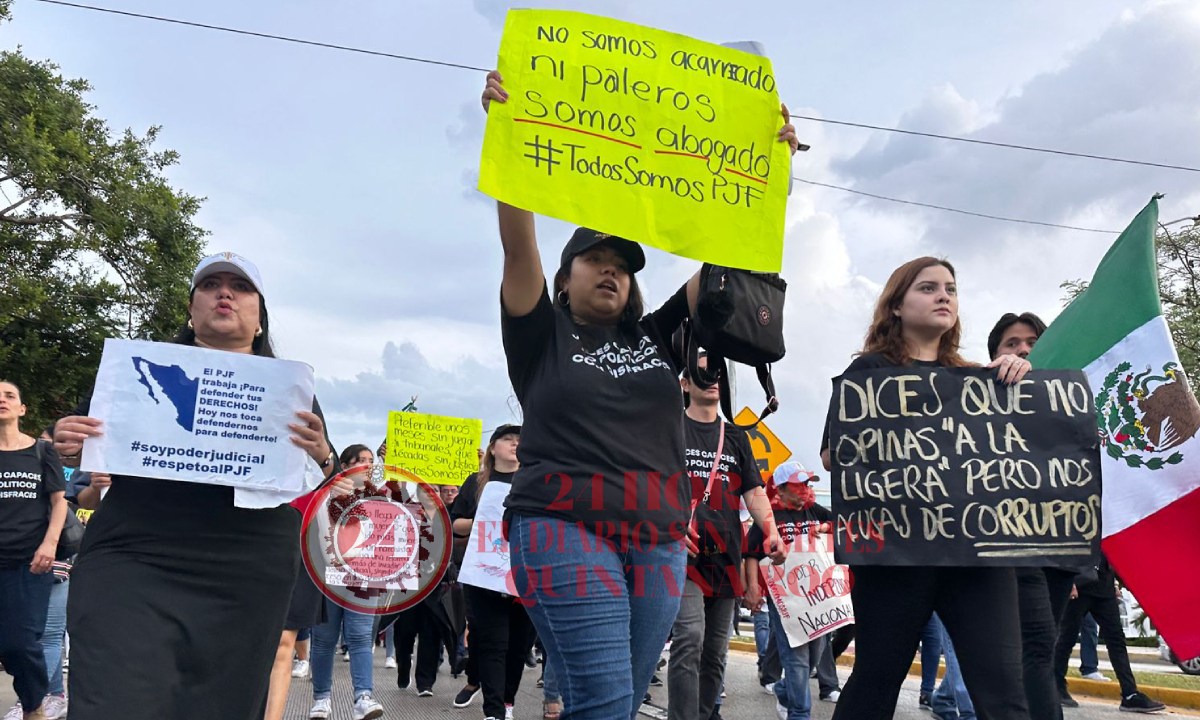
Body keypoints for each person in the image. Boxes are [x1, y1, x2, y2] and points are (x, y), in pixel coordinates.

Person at [481, 69, 799, 720]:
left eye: (624, 267)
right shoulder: (539, 333)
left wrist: (768, 164)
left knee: (616, 704)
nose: (612, 271)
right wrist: (506, 132)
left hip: (657, 542)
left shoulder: (657, 340)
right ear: (564, 280)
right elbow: (518, 244)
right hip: (562, 525)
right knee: (601, 702)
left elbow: (728, 255)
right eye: (596, 259)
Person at [52, 252, 341, 719]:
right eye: (211, 285)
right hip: (135, 556)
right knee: (115, 697)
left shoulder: (291, 390)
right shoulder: (130, 374)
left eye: (240, 287)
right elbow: (89, 454)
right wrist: (68, 444)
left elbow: (321, 479)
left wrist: (324, 456)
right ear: (191, 310)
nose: (224, 293)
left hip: (246, 569)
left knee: (219, 704)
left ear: (260, 318)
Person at [818, 257, 1034, 720]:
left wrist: (1018, 379)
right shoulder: (867, 372)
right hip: (897, 554)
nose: (943, 296)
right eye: (928, 287)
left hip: (976, 554)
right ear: (895, 306)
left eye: (951, 289)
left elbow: (1025, 451)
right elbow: (832, 457)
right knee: (876, 678)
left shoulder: (980, 379)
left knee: (1003, 688)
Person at [667, 354, 782, 720]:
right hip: (682, 555)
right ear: (685, 384)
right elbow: (648, 486)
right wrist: (665, 523)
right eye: (702, 371)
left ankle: (702, 714)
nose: (712, 377)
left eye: (717, 372)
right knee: (689, 640)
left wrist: (772, 532)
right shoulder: (668, 428)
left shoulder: (734, 435)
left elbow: (753, 491)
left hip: (726, 556)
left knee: (715, 653)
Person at [988, 311, 1079, 720]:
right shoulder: (982, 397)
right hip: (1016, 542)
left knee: (1042, 646)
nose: (1024, 350)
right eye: (1012, 343)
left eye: (1033, 342)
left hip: (1062, 544)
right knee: (1038, 646)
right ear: (995, 354)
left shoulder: (1073, 398)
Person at [452, 424, 537, 720]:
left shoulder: (535, 479)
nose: (515, 444)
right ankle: (494, 710)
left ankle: (508, 700)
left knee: (519, 644)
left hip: (525, 573)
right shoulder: (476, 482)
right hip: (484, 575)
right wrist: (484, 516)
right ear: (492, 447)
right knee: (492, 642)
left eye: (520, 440)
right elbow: (454, 524)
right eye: (508, 439)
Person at [0, 381, 68, 720]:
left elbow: (59, 502)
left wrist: (50, 543)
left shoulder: (42, 451)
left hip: (28, 564)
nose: (2, 400)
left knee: (20, 644)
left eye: (10, 395)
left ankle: (34, 706)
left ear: (22, 408)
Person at [743, 462, 829, 720]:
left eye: (808, 484)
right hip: (784, 601)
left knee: (813, 656)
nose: (805, 490)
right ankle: (799, 714)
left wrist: (823, 529)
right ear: (780, 488)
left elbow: (842, 524)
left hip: (817, 600)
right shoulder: (768, 518)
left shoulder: (815, 511)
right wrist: (752, 588)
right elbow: (750, 554)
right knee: (797, 659)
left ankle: (783, 689)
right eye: (798, 484)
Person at [308, 444, 384, 720]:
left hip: (365, 579)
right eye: (359, 460)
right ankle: (321, 699)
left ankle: (363, 697)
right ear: (344, 463)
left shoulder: (379, 497)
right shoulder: (325, 492)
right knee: (324, 640)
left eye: (370, 461)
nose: (365, 465)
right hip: (329, 577)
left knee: (361, 637)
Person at [1053, 557, 1165, 713]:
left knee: (1116, 639)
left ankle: (1130, 694)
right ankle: (1056, 685)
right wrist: (1068, 582)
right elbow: (1070, 551)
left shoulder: (1105, 531)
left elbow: (1109, 552)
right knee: (1067, 638)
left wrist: (1115, 583)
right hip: (1080, 585)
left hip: (1104, 587)